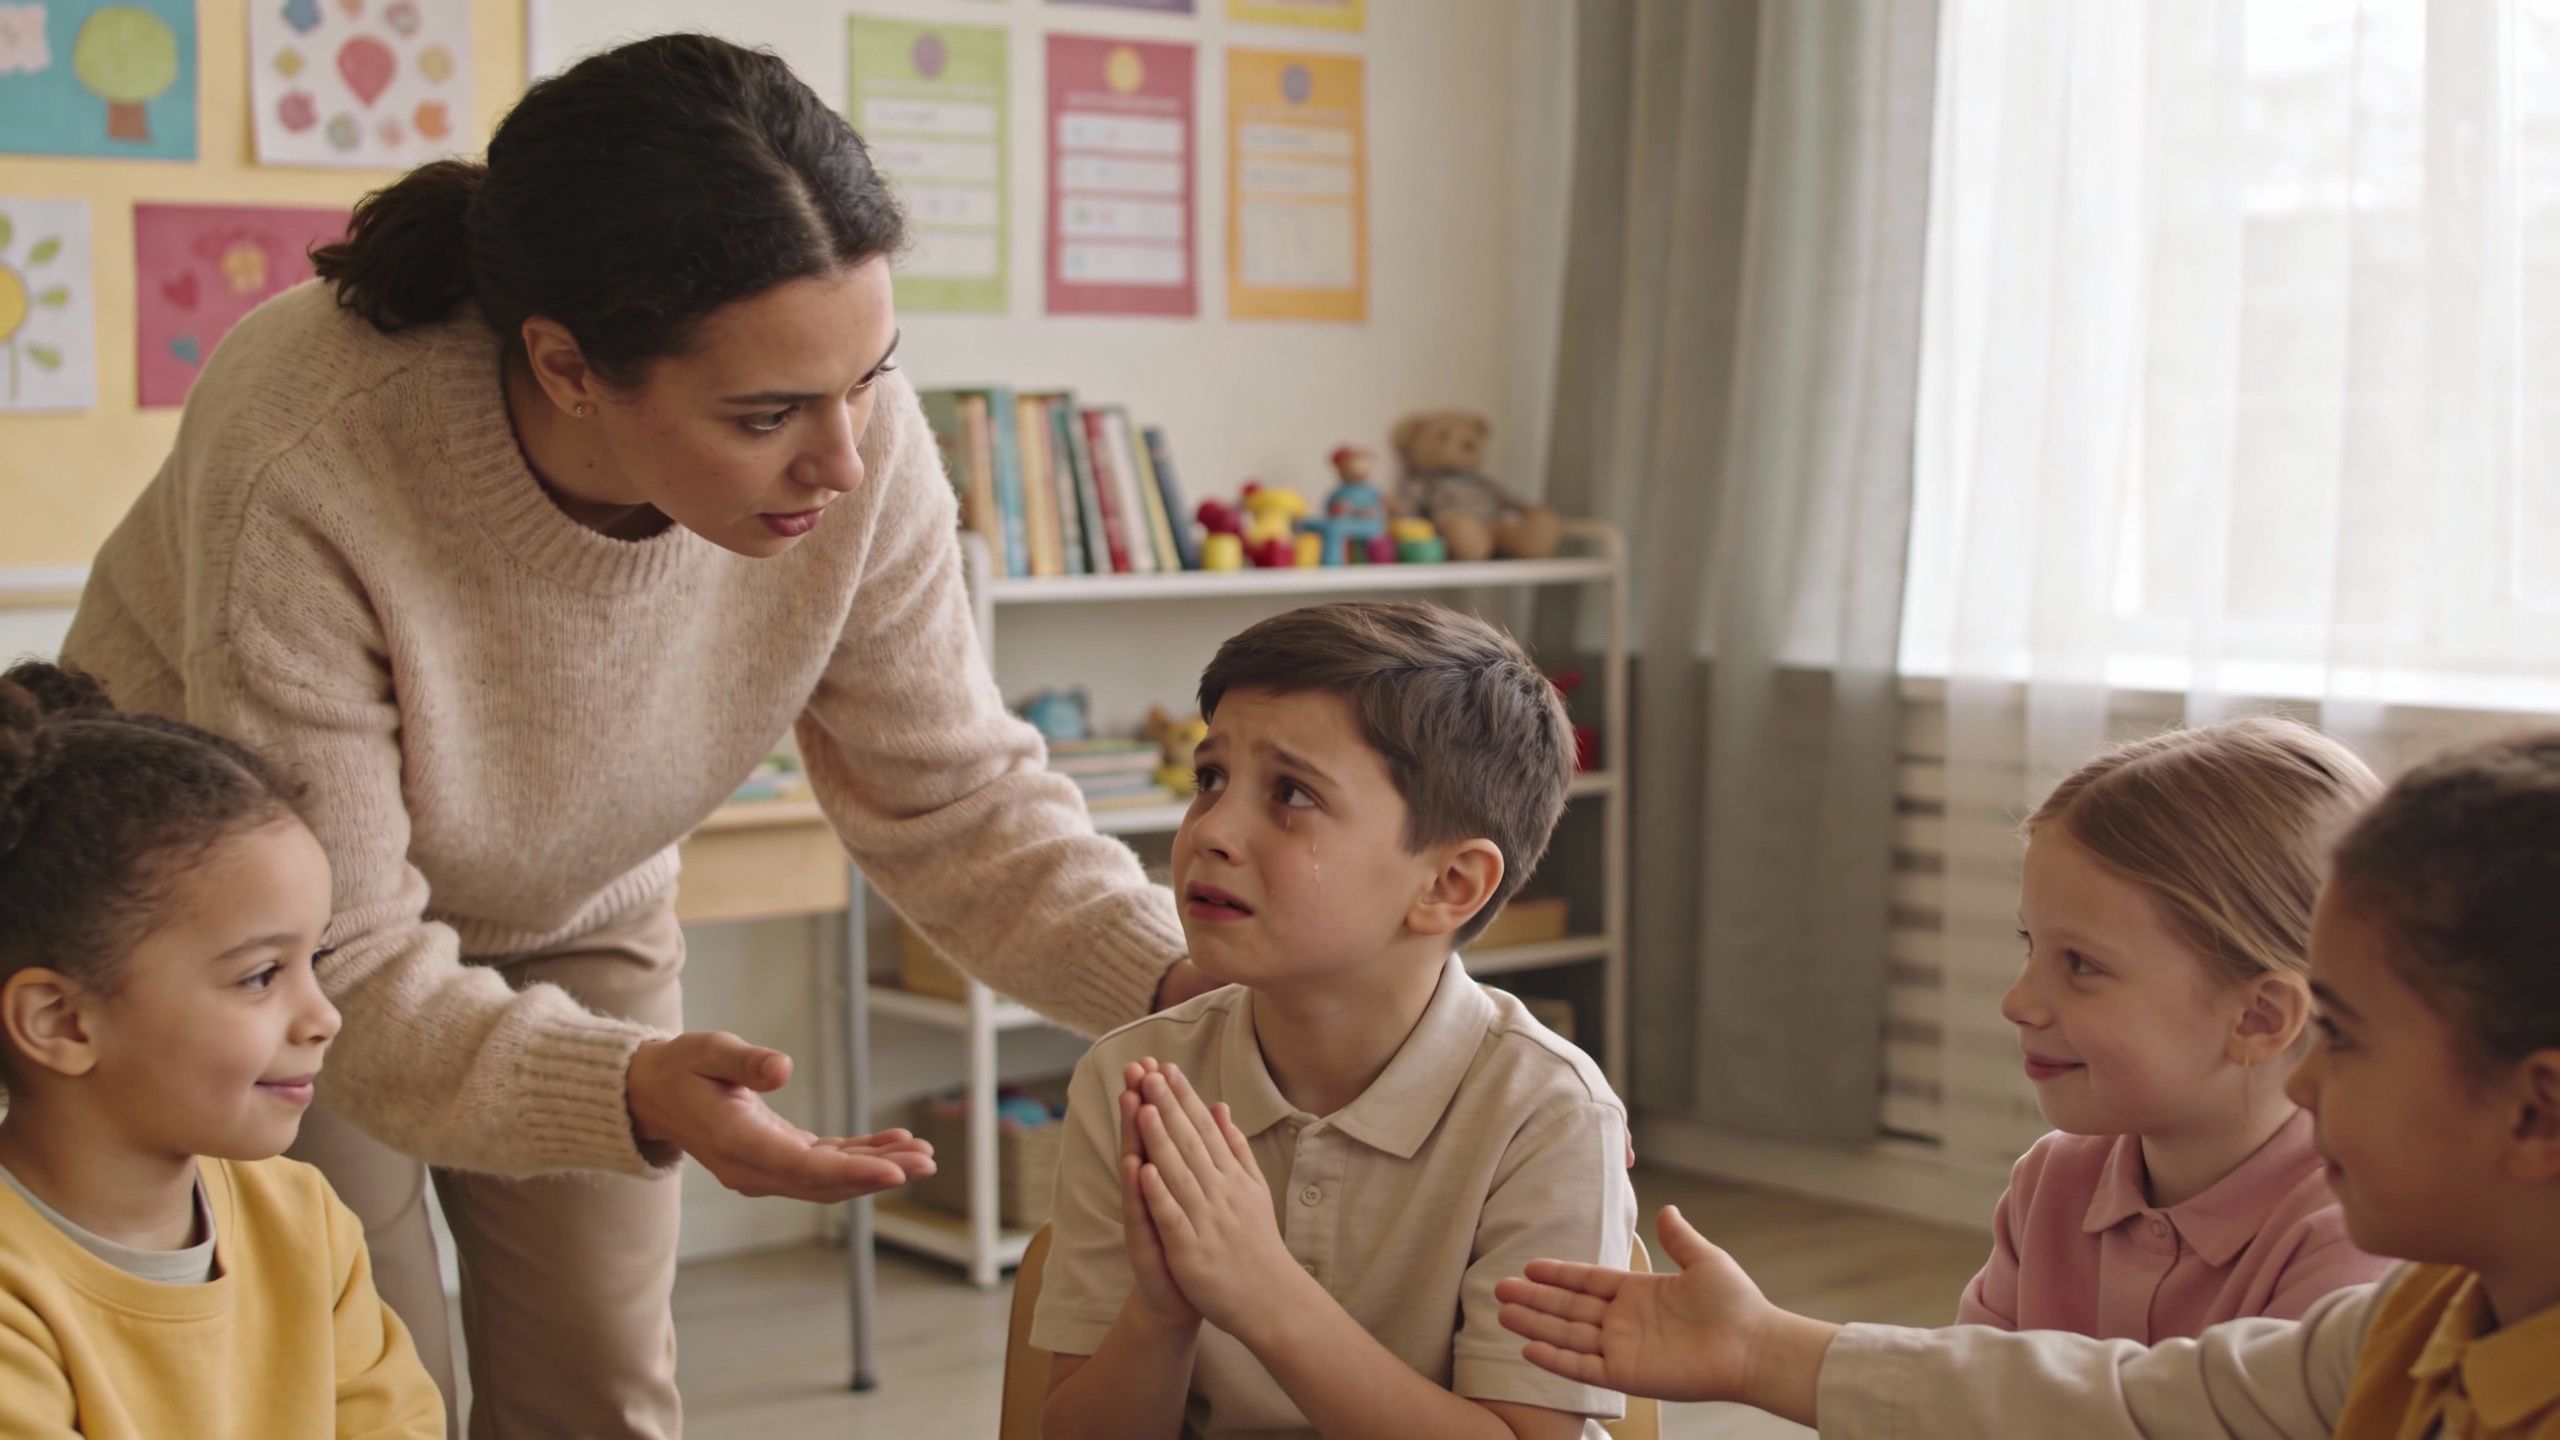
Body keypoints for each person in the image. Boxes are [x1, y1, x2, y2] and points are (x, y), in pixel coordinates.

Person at [61, 33, 1206, 1436]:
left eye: (868, 382)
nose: (841, 461)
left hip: (572, 896)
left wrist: (1207, 994)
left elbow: (955, 802)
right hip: (254, 945)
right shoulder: (317, 444)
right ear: (566, 365)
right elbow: (346, 951)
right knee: (355, 1383)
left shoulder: (855, 444)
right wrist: (633, 1087)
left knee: (600, 1392)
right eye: (767, 413)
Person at [1497, 732, 2560, 1439]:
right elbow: (2128, 1409)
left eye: (2353, 1037)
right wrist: (1759, 1349)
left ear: (2535, 1112)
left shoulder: (2370, 1266)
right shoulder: (2420, 1320)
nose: (2312, 1076)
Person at [1036, 601, 1638, 1440]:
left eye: (1291, 794)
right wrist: (1161, 1314)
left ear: (1449, 885)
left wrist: (1262, 1292)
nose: (1212, 832)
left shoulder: (1548, 1113)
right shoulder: (1135, 1081)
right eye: (1209, 779)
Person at [0, 661, 444, 1439]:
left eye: (317, 960)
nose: (323, 1018)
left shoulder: (305, 1219)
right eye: (261, 975)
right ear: (61, 1023)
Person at [1958, 720, 2390, 1340]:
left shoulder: (2352, 1231)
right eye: (2031, 944)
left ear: (2259, 1017)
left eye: (2081, 964)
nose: (2017, 1001)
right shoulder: (2051, 1182)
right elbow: (1961, 1397)